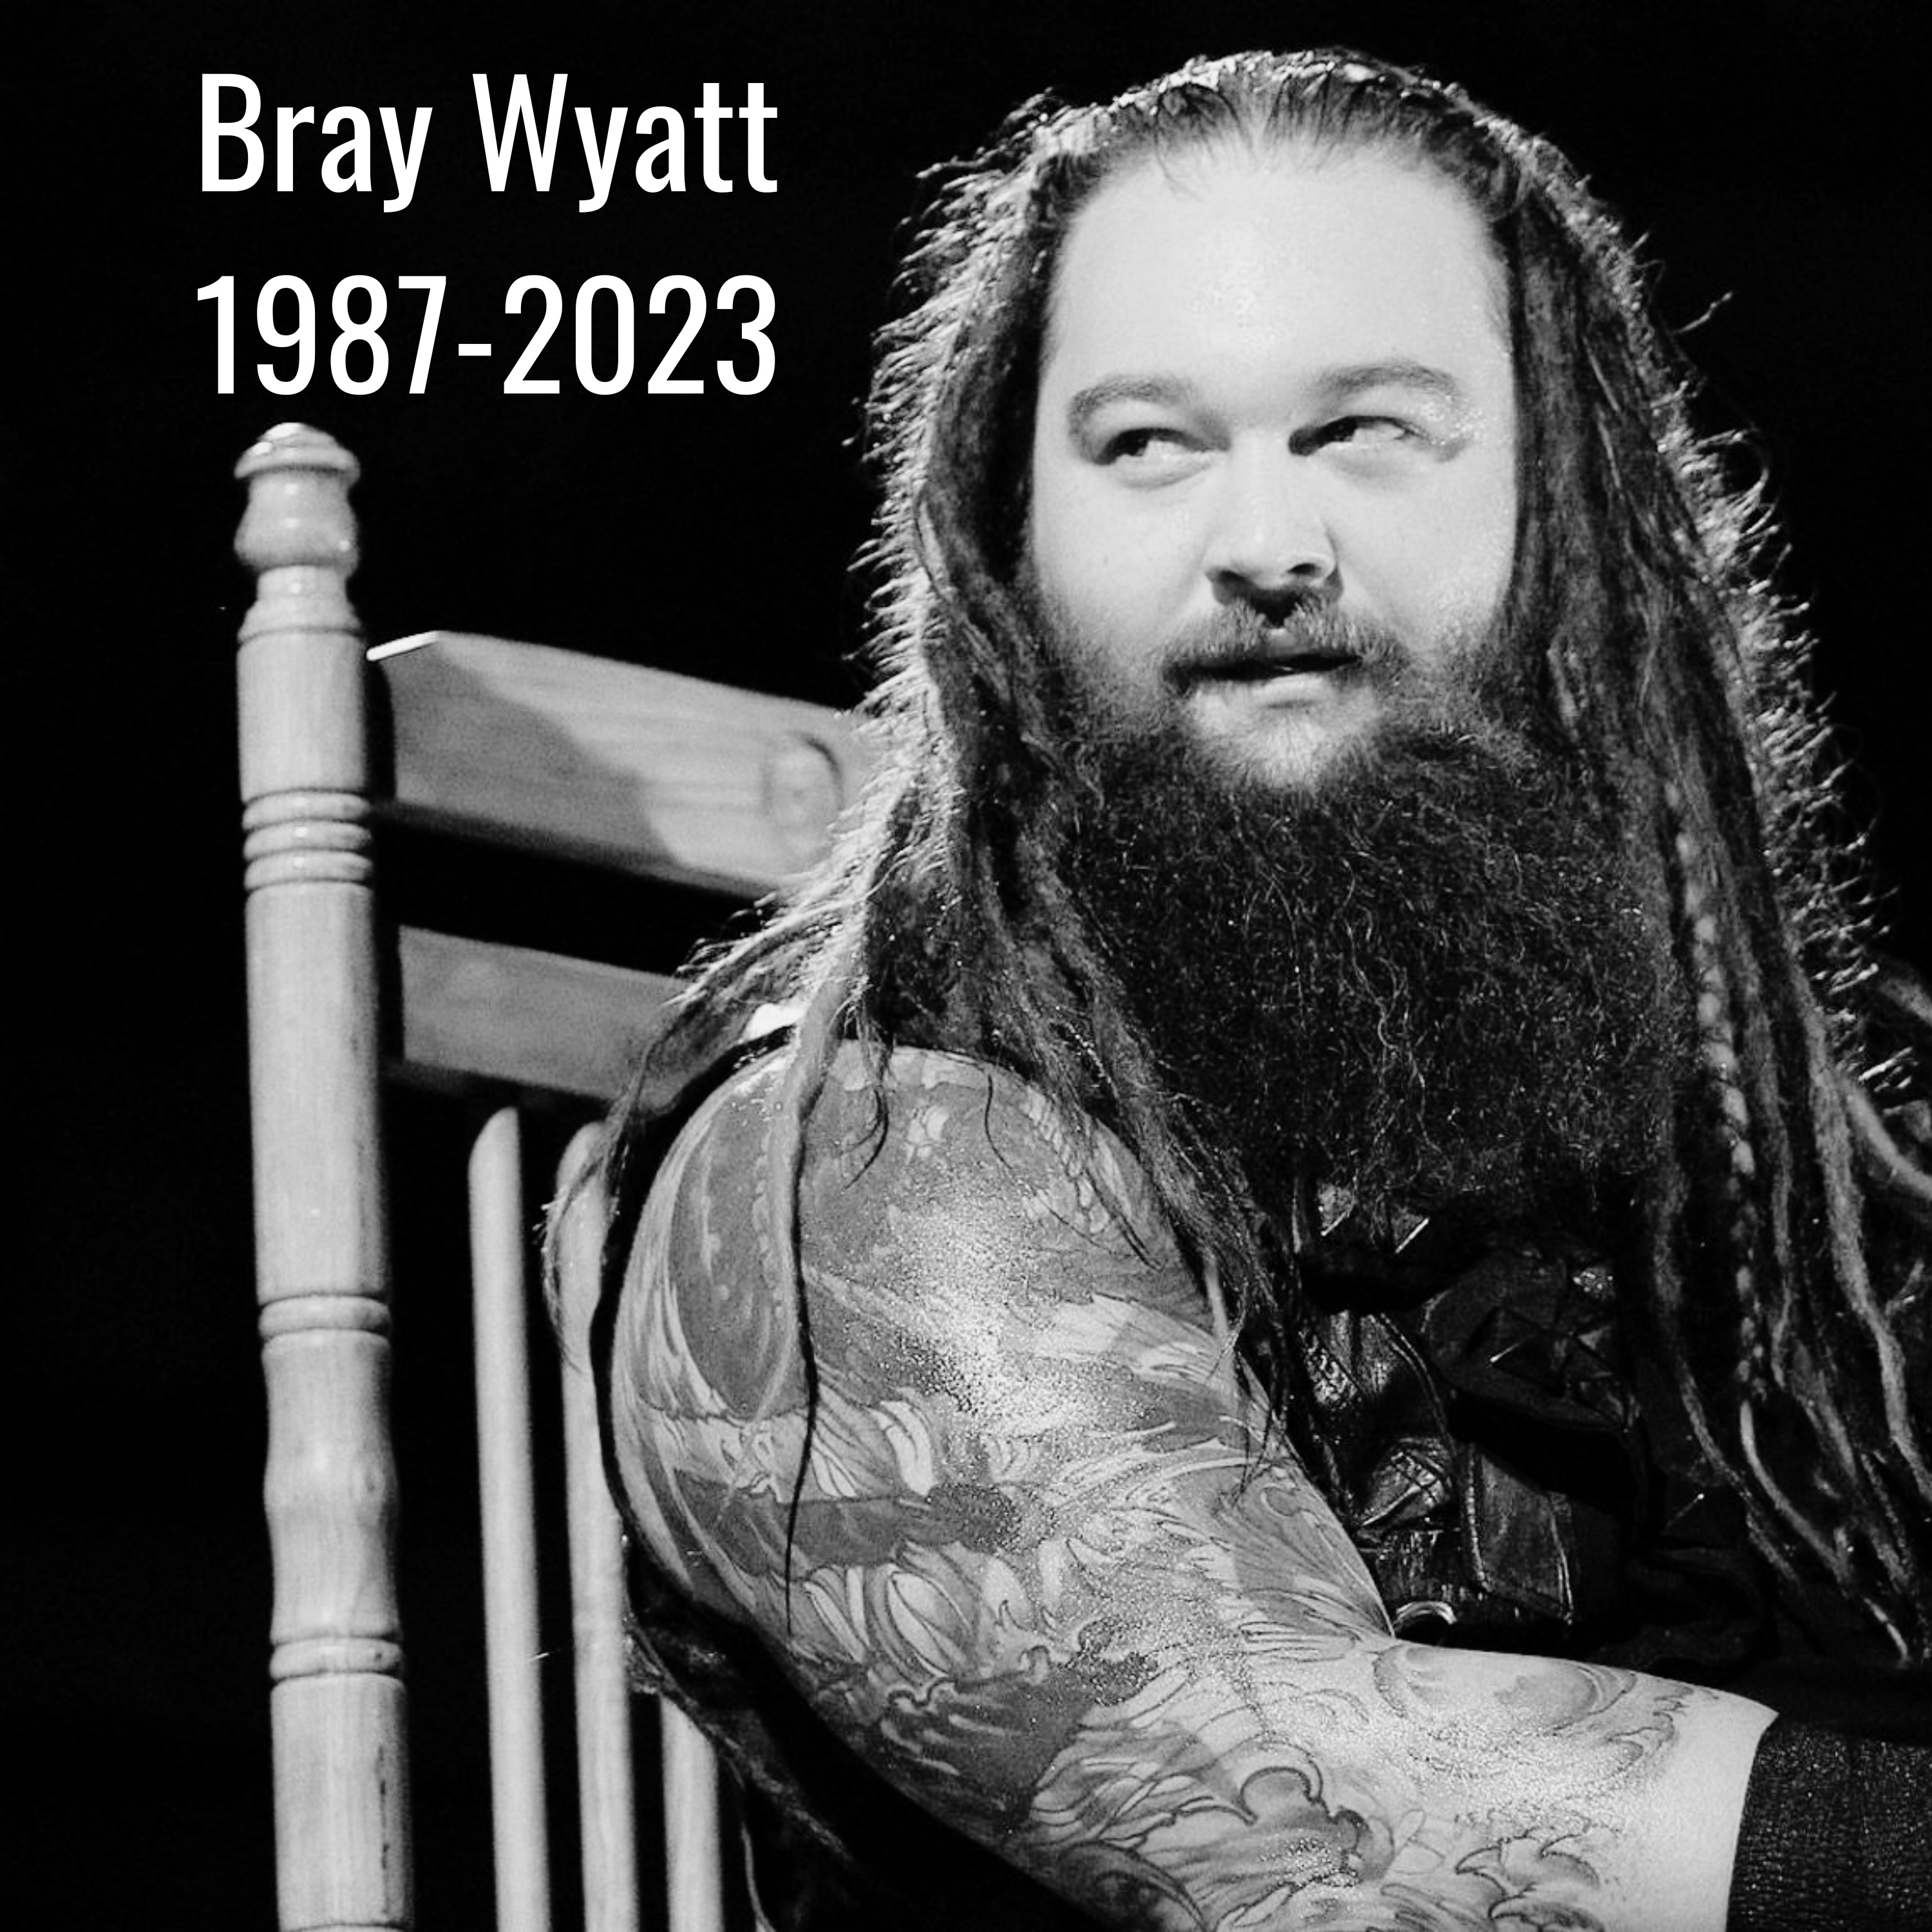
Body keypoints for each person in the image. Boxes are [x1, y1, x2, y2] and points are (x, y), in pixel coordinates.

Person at [581, 49, 1932, 1931]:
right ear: (1008, 536)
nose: (1268, 544)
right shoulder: (868, 1162)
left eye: (1366, 429)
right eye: (1150, 444)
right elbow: (1320, 1811)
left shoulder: (1771, 1098)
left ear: (1565, 507)